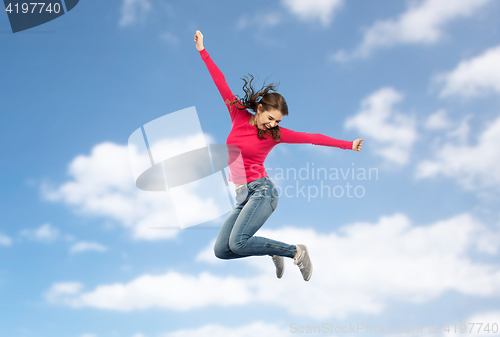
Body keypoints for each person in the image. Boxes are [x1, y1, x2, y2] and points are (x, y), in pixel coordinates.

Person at [194, 30, 363, 282]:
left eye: (277, 121)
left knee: (238, 243)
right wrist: (202, 51)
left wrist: (348, 144)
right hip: (242, 196)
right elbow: (221, 83)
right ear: (259, 108)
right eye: (270, 118)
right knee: (222, 250)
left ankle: (295, 251)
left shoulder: (276, 134)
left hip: (263, 192)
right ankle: (269, 250)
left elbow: (313, 137)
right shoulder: (238, 114)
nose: (272, 124)